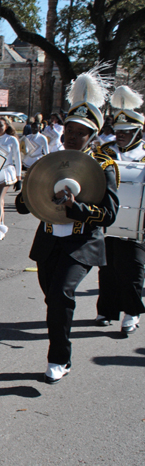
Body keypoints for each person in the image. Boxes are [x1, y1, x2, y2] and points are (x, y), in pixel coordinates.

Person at [15, 66, 118, 384]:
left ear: (92, 136)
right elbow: (23, 206)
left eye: (79, 133)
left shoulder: (103, 165)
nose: (71, 136)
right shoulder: (51, 160)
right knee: (52, 298)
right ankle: (59, 345)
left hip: (81, 243)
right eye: (68, 130)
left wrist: (79, 209)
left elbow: (109, 215)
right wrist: (29, 188)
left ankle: (59, 359)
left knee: (61, 294)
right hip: (48, 241)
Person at [95, 85, 145, 335]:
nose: (121, 135)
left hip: (137, 222)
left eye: (127, 132)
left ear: (138, 131)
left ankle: (132, 312)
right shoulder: (104, 152)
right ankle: (106, 309)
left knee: (133, 268)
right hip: (108, 219)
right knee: (107, 266)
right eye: (118, 131)